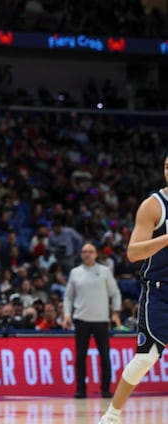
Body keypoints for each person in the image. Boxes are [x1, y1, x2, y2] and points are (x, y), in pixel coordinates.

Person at [99, 161, 168, 424]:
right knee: (146, 357)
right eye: (166, 165)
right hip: (160, 290)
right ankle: (112, 415)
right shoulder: (153, 206)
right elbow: (133, 253)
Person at [62, 242, 121, 399]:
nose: (86, 254)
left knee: (105, 356)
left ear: (96, 254)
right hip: (81, 319)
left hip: (101, 319)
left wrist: (115, 312)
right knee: (81, 356)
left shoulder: (104, 271)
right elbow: (68, 297)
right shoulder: (75, 272)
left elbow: (115, 293)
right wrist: (67, 314)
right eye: (84, 251)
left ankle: (106, 389)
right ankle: (81, 389)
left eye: (90, 251)